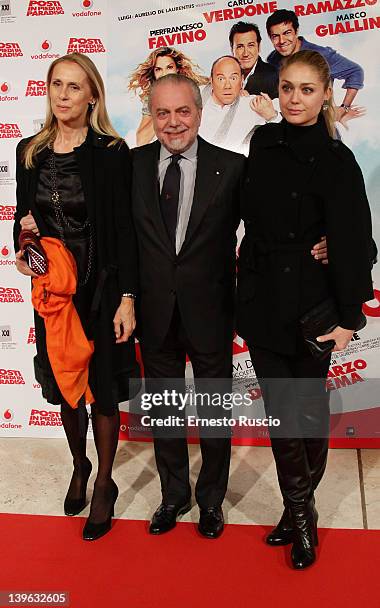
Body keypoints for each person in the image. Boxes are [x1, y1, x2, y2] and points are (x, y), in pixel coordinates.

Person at [237, 50, 374, 569]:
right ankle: (302, 516)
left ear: (325, 96)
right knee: (283, 419)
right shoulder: (263, 142)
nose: (294, 99)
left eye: (307, 90)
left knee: (309, 417)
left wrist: (347, 316)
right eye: (288, 88)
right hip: (262, 302)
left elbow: (359, 238)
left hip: (313, 308)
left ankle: (298, 514)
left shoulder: (339, 160)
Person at [14, 52, 139, 541]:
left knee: (103, 386)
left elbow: (125, 229)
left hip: (102, 287)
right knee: (66, 387)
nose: (63, 95)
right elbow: (23, 224)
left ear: (92, 95)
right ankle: (80, 465)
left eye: (73, 87)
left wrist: (128, 297)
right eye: (56, 85)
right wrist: (24, 252)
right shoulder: (29, 151)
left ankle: (105, 483)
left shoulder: (112, 152)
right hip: (54, 293)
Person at [131, 73, 246, 539]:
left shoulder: (233, 167)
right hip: (154, 311)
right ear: (152, 116)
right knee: (166, 411)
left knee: (215, 411)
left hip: (212, 311)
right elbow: (117, 238)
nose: (173, 123)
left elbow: (267, 230)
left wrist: (321, 244)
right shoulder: (132, 166)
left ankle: (211, 500)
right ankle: (173, 495)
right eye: (162, 112)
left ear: (199, 112)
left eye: (183, 111)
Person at [266, 9, 364, 122]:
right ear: (270, 37)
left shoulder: (321, 54)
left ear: (296, 32)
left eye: (287, 33)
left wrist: (344, 108)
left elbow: (355, 71)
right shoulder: (272, 59)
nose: (281, 41)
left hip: (320, 125)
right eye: (275, 36)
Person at [199, 55, 280, 156]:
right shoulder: (194, 94)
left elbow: (285, 131)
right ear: (211, 80)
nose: (227, 86)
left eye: (233, 78)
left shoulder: (251, 104)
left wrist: (272, 116)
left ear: (242, 80)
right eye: (221, 79)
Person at [128, 47, 209, 146]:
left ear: (177, 69)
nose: (164, 74)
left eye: (169, 67)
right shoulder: (151, 98)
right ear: (153, 74)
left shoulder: (195, 86)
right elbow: (141, 140)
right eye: (158, 70)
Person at [229, 21, 278, 99]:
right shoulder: (225, 74)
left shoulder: (275, 76)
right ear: (232, 49)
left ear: (259, 47)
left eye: (250, 45)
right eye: (240, 47)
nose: (245, 53)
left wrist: (249, 101)